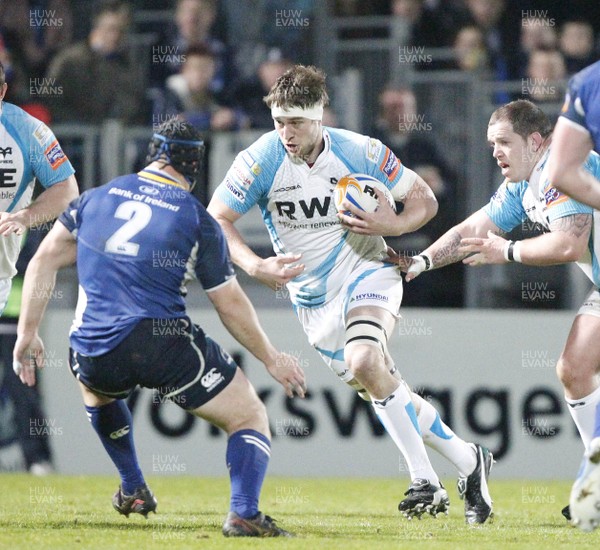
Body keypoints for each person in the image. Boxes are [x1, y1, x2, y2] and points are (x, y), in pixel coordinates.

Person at [207, 64, 494, 524]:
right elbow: (216, 219)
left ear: (319, 115)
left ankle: (425, 481)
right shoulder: (260, 159)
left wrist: (393, 225)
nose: (286, 132)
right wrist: (255, 264)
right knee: (380, 384)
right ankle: (468, 461)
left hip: (368, 270)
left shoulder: (360, 150)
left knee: (365, 362)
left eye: (296, 122)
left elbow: (425, 200)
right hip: (312, 301)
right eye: (278, 121)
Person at [12, 119, 306, 538]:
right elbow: (230, 304)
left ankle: (132, 486)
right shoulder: (196, 218)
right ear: (193, 164)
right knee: (248, 416)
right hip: (160, 343)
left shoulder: (92, 200)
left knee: (97, 390)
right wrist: (271, 358)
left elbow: (41, 261)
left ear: (153, 154)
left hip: (93, 347)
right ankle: (243, 513)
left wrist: (28, 332)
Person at [394, 98, 600, 526]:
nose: (496, 152)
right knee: (574, 369)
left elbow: (568, 245)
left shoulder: (561, 169)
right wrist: (422, 262)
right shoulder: (523, 186)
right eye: (491, 144)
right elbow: (473, 230)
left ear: (536, 141)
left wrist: (506, 251)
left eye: (504, 142)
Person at [0, 59, 78, 472]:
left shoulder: (26, 130)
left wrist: (26, 217)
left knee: (22, 379)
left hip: (10, 287)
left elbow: (67, 191)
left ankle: (38, 461)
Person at [545, 60, 600, 531]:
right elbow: (562, 172)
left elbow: (563, 170)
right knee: (574, 367)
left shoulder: (588, 82)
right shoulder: (589, 84)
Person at [45, 0, 146, 124]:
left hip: (113, 134)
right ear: (96, 30)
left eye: (120, 31)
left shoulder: (126, 64)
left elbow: (132, 100)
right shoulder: (69, 60)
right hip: (73, 133)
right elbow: (50, 99)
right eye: (110, 29)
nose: (115, 36)